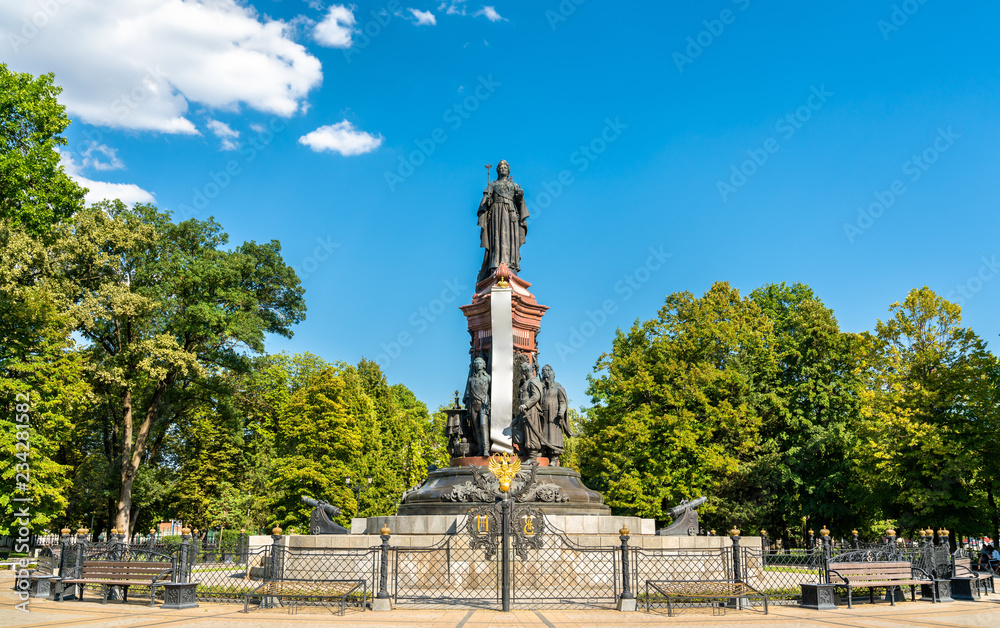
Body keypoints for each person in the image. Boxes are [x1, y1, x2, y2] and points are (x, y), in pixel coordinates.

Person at [477, 160, 528, 282]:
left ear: (508, 170)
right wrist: (488, 200)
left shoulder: (514, 186)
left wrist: (520, 196)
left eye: (505, 167)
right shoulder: (493, 185)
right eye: (501, 167)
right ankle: (495, 264)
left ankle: (511, 265)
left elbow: (520, 204)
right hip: (496, 214)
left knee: (510, 239)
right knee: (497, 238)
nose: (503, 168)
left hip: (511, 215)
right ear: (498, 170)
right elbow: (485, 203)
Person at [540, 364, 573, 466]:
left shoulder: (558, 387)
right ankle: (542, 452)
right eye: (543, 371)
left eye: (547, 371)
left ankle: (554, 458)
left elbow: (563, 402)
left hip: (554, 416)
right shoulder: (542, 387)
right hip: (543, 415)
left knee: (554, 436)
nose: (545, 373)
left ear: (551, 373)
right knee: (542, 434)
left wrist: (561, 411)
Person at [516, 362, 544, 459]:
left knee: (531, 432)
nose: (522, 374)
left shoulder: (533, 381)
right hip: (523, 411)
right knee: (518, 429)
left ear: (526, 370)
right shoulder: (526, 382)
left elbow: (536, 396)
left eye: (522, 371)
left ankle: (532, 455)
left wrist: (526, 405)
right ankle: (523, 450)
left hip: (531, 411)